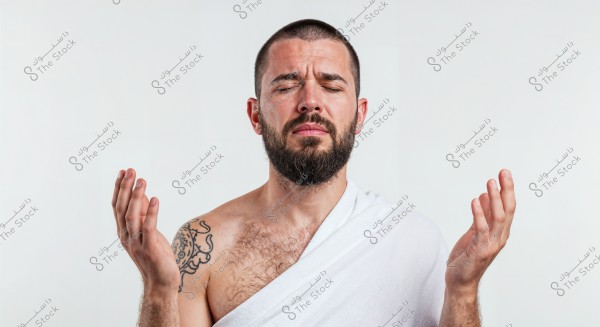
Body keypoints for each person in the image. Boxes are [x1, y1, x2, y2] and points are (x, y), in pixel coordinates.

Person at [111, 18, 516, 327]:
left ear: (359, 116)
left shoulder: (412, 239)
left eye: (331, 85)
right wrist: (159, 289)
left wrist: (463, 289)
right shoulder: (205, 244)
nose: (310, 102)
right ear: (255, 115)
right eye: (287, 85)